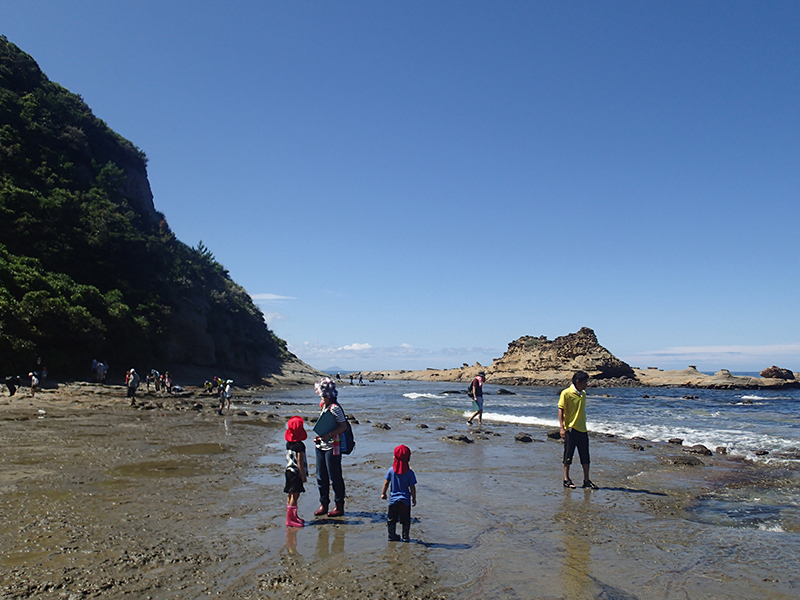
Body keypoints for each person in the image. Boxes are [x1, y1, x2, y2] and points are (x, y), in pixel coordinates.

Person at [313, 377, 349, 517]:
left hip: (333, 446)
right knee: (321, 476)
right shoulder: (324, 406)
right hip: (321, 445)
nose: (320, 396)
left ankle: (339, 506)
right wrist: (321, 436)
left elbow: (343, 426)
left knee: (335, 476)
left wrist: (328, 434)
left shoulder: (335, 409)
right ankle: (324, 504)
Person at [558, 370, 598, 490]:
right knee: (568, 455)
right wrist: (562, 428)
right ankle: (566, 479)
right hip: (571, 429)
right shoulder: (566, 393)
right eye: (585, 381)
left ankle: (586, 480)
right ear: (577, 382)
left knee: (585, 456)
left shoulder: (583, 394)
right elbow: (561, 410)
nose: (587, 384)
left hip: (583, 429)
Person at [381, 444, 417, 542]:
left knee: (391, 520)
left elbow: (386, 483)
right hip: (405, 501)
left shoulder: (391, 471)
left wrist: (383, 493)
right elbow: (412, 487)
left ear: (394, 457)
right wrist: (414, 498)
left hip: (393, 501)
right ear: (408, 459)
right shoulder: (410, 473)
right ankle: (405, 536)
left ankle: (391, 535)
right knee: (406, 521)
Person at [284, 416, 309, 527]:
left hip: (288, 470)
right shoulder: (300, 446)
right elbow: (300, 460)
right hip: (296, 472)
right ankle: (290, 518)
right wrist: (303, 474)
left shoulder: (288, 443)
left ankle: (292, 516)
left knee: (290, 493)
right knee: (295, 495)